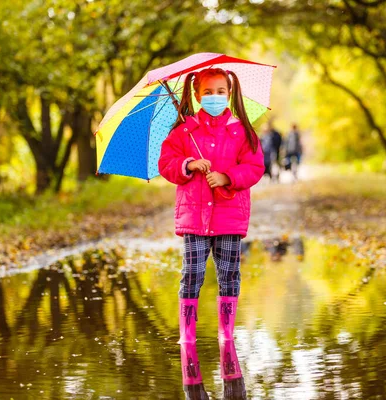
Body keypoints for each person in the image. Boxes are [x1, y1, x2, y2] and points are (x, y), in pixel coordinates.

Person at [158, 67, 264, 400]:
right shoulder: (183, 130)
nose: (215, 97)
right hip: (194, 215)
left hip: (229, 214)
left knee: (229, 274)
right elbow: (167, 163)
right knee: (192, 273)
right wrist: (188, 165)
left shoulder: (241, 131)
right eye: (208, 92)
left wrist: (227, 177)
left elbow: (255, 167)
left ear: (229, 94)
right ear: (197, 94)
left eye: (221, 91)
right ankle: (186, 334)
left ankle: (226, 334)